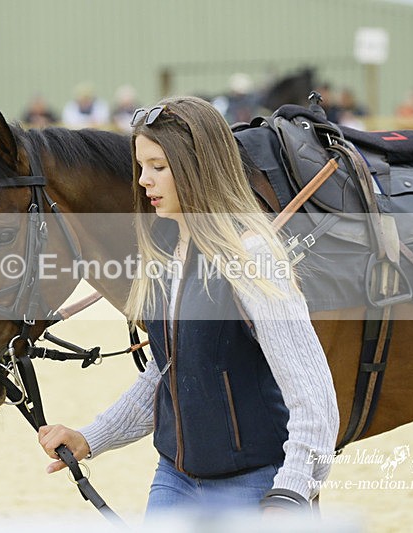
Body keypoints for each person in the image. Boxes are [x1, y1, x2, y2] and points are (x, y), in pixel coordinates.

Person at [38, 96, 339, 517]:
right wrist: (91, 437)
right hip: (174, 479)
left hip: (257, 483)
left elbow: (315, 396)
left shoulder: (252, 257)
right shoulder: (161, 251)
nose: (144, 181)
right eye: (141, 167)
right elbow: (164, 371)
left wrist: (291, 491)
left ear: (199, 167)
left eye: (159, 167)